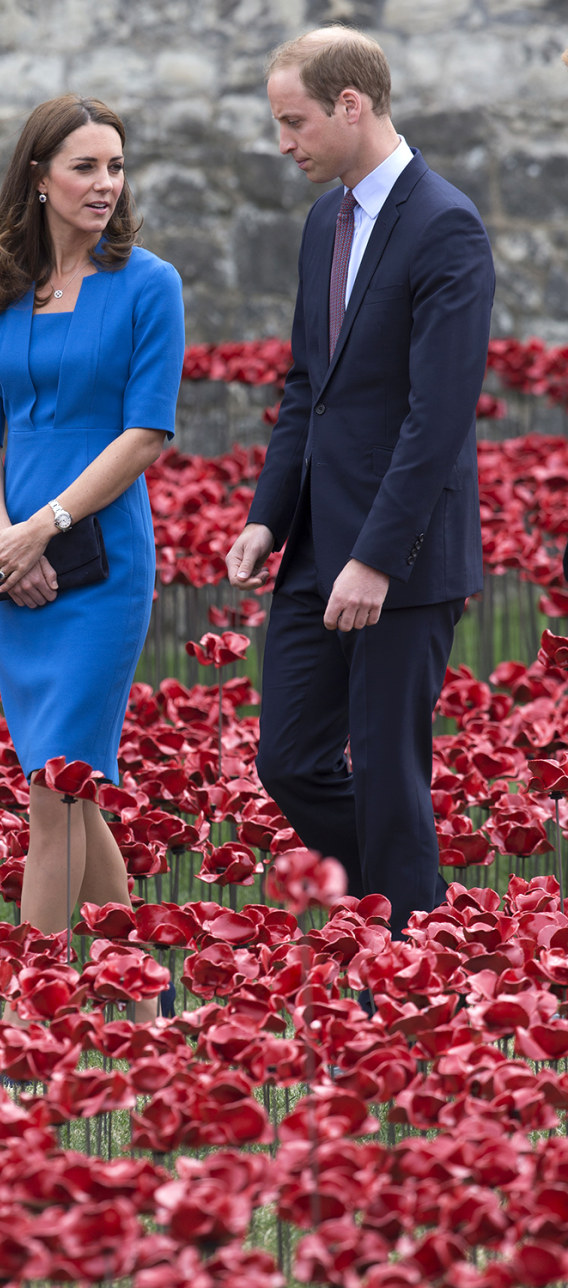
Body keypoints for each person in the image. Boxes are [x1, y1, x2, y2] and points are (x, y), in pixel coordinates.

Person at [226, 26, 495, 941]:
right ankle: (408, 913)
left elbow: (439, 416)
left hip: (402, 562)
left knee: (388, 772)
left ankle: (402, 980)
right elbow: (310, 385)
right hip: (312, 547)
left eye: (294, 120)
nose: (284, 142)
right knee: (290, 762)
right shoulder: (321, 221)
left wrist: (377, 560)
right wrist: (268, 518)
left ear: (352, 105)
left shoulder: (446, 224)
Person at [0, 95, 185, 1021]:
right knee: (73, 787)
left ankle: (23, 1025)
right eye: (85, 167)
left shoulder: (149, 284)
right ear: (39, 177)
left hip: (102, 562)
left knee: (53, 789)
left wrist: (43, 525)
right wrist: (3, 541)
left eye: (116, 167)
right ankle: (147, 1006)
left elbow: (146, 434)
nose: (105, 185)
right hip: (19, 562)